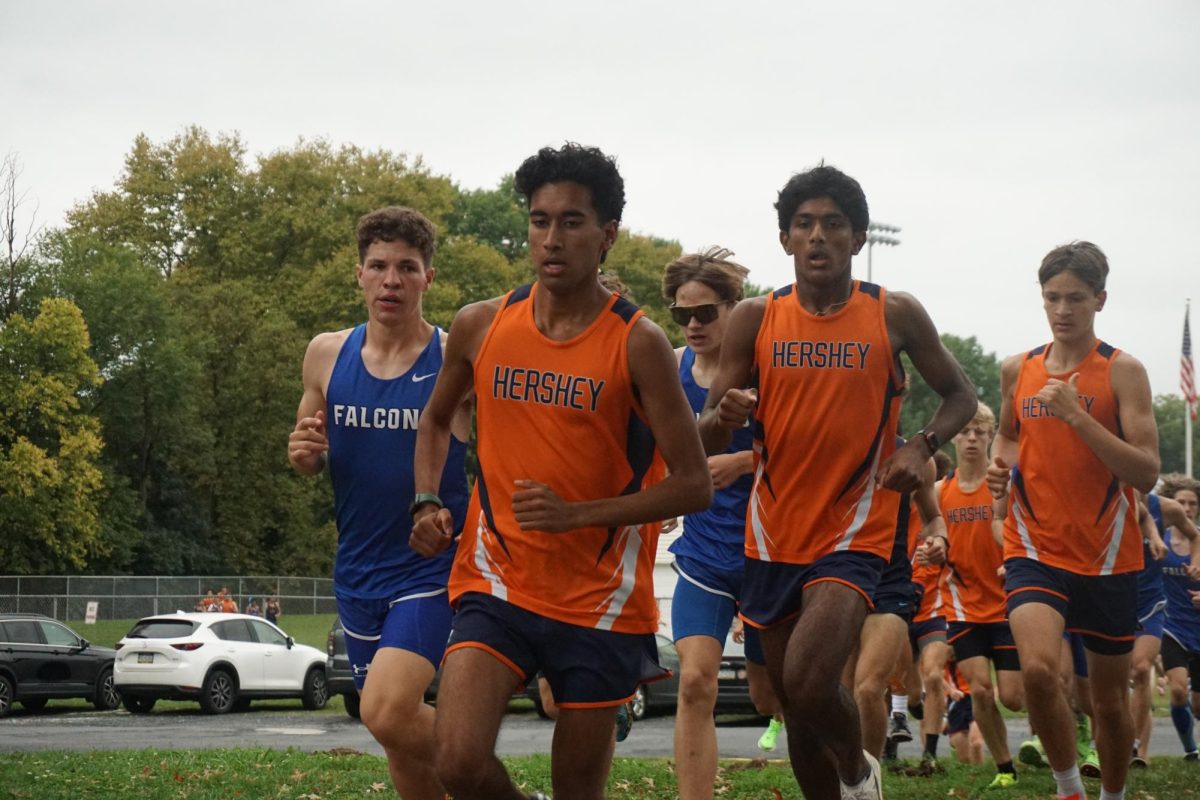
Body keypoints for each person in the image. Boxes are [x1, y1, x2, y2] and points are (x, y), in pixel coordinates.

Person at [409, 143, 712, 800]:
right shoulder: (482, 324)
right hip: (497, 579)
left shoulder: (639, 343)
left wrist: (580, 514)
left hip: (598, 599)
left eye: (571, 222)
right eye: (539, 220)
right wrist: (427, 499)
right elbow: (435, 421)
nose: (551, 238)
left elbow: (693, 483)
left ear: (607, 235)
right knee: (457, 762)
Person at [697, 164, 976, 800]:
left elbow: (960, 394)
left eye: (833, 225)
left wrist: (922, 443)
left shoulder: (893, 314)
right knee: (797, 701)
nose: (818, 236)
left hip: (856, 526)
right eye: (804, 225)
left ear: (856, 238)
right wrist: (727, 414)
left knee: (810, 676)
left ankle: (858, 773)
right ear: (785, 240)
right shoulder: (753, 318)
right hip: (772, 530)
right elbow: (706, 431)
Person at [286, 205, 471, 800]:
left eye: (407, 267)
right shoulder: (325, 353)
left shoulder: (455, 360)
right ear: (360, 274)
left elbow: (497, 461)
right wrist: (303, 452)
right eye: (379, 266)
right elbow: (307, 450)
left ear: (427, 279)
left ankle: (492, 783)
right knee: (400, 745)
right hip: (356, 570)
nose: (391, 279)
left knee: (387, 712)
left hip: (432, 566)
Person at [987, 241, 1161, 800]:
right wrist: (1000, 471)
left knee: (1107, 702)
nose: (1062, 311)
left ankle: (1111, 794)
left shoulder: (1122, 371)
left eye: (1076, 300)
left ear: (1100, 300)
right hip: (1033, 546)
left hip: (1108, 555)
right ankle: (1067, 789)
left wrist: (1078, 420)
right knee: (1038, 671)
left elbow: (1147, 474)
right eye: (1052, 299)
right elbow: (1010, 435)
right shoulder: (1019, 368)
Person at [660, 246, 756, 799]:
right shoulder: (670, 369)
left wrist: (743, 461)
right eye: (681, 314)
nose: (693, 324)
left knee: (778, 697)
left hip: (773, 553)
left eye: (705, 313)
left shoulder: (767, 363)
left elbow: (814, 453)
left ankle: (850, 774)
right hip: (704, 556)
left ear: (734, 309)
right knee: (695, 682)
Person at [940, 403, 1026, 788]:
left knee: (1013, 697)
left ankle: (1048, 737)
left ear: (991, 436)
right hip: (962, 604)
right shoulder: (941, 490)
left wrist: (1015, 560)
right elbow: (930, 536)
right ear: (955, 436)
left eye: (980, 432)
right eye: (965, 431)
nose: (972, 438)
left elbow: (1020, 531)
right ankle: (1005, 768)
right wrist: (931, 550)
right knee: (979, 688)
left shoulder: (1003, 485)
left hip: (1007, 603)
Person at [849, 451, 946, 762]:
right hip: (839, 577)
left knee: (868, 688)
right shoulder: (835, 444)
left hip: (891, 582)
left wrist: (939, 540)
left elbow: (933, 518)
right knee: (840, 693)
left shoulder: (917, 457)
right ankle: (843, 770)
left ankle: (868, 779)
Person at [1155, 474, 1200, 759]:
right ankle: (1190, 751)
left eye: (1192, 503)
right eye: (1180, 502)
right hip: (1170, 627)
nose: (1186, 508)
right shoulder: (1158, 539)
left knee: (1197, 706)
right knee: (1179, 692)